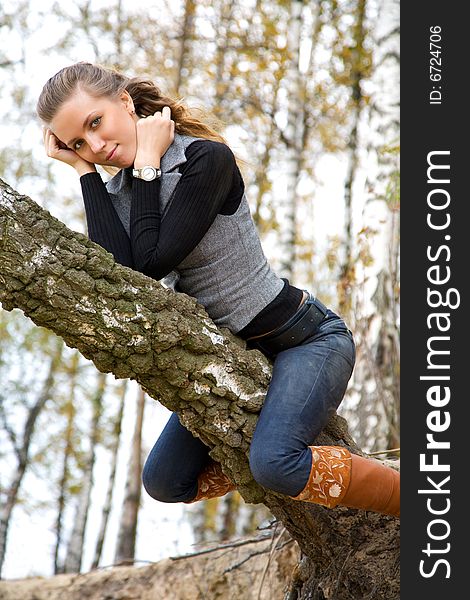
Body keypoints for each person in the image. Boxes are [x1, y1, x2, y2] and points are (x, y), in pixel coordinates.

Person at [37, 62, 399, 517]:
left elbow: (152, 263)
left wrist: (148, 166)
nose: (96, 146)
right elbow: (119, 280)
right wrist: (85, 174)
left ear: (125, 102)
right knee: (165, 482)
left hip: (306, 340)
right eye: (78, 144)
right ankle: (278, 455)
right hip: (231, 361)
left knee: (274, 465)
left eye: (95, 124)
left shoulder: (205, 160)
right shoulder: (121, 193)